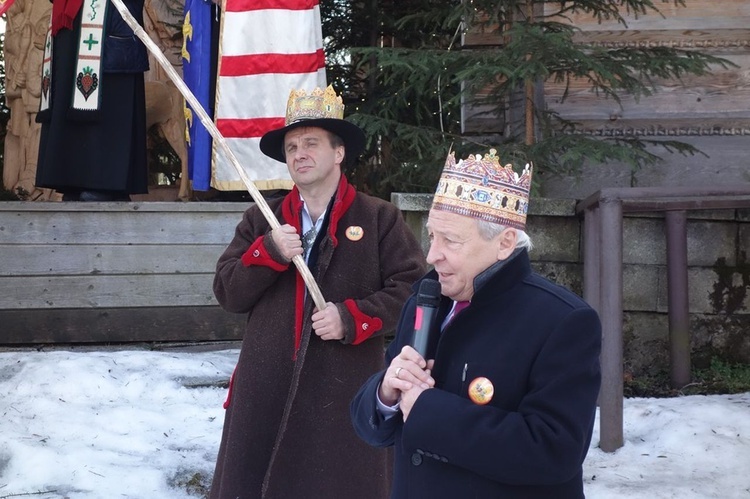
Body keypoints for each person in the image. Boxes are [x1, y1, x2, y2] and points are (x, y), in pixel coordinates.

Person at [209, 85, 427, 498]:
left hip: (344, 387)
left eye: (311, 143)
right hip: (266, 386)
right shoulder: (263, 219)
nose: (299, 154)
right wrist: (268, 252)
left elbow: (411, 289)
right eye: (292, 146)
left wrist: (351, 317)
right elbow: (228, 292)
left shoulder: (380, 218)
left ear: (339, 153)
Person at [351, 149, 602, 498]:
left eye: (450, 240)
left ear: (505, 242)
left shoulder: (563, 320)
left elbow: (554, 451)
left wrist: (429, 412)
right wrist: (385, 393)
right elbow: (372, 425)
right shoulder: (425, 300)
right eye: (432, 235)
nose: (431, 254)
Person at [35, 0, 149, 201]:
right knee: (68, 92)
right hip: (71, 17)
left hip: (108, 15)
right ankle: (71, 180)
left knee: (109, 92)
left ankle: (105, 184)